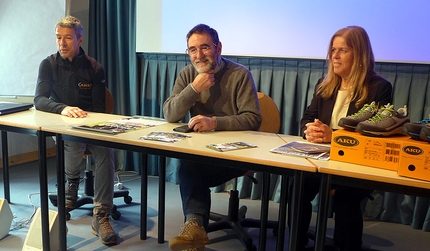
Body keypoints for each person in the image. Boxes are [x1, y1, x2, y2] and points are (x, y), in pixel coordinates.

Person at [163, 24, 262, 251]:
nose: (199, 55)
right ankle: (195, 229)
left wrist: (214, 122)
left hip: (237, 153)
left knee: (189, 169)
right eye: (193, 50)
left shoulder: (239, 74)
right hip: (201, 152)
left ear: (218, 48)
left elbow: (253, 118)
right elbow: (169, 113)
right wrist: (193, 89)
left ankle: (194, 226)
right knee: (190, 163)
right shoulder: (188, 74)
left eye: (205, 47)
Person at [293, 26, 393, 251]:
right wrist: (310, 131)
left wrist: (334, 136)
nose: (334, 56)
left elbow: (375, 134)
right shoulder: (324, 84)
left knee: (345, 199)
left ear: (359, 54)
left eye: (342, 50)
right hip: (321, 159)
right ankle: (295, 244)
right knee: (298, 187)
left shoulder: (379, 88)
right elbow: (307, 118)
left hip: (358, 162)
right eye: (333, 50)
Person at [34, 16, 117, 245]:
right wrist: (63, 109)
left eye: (68, 38)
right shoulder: (48, 64)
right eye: (59, 38)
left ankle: (101, 214)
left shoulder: (94, 67)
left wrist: (87, 122)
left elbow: (100, 110)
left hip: (90, 126)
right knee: (71, 140)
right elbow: (39, 100)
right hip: (64, 128)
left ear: (80, 39)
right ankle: (71, 184)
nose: (62, 43)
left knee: (106, 150)